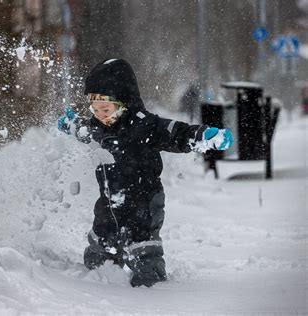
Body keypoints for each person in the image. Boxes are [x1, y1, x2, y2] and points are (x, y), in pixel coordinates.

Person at [57, 59, 233, 287]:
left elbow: (176, 133)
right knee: (97, 256)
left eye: (105, 109)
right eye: (95, 108)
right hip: (109, 204)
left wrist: (203, 136)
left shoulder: (145, 126)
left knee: (145, 261)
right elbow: (86, 131)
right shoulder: (98, 125)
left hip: (144, 204)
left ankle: (150, 287)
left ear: (123, 104)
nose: (99, 114)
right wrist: (73, 126)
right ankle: (105, 265)